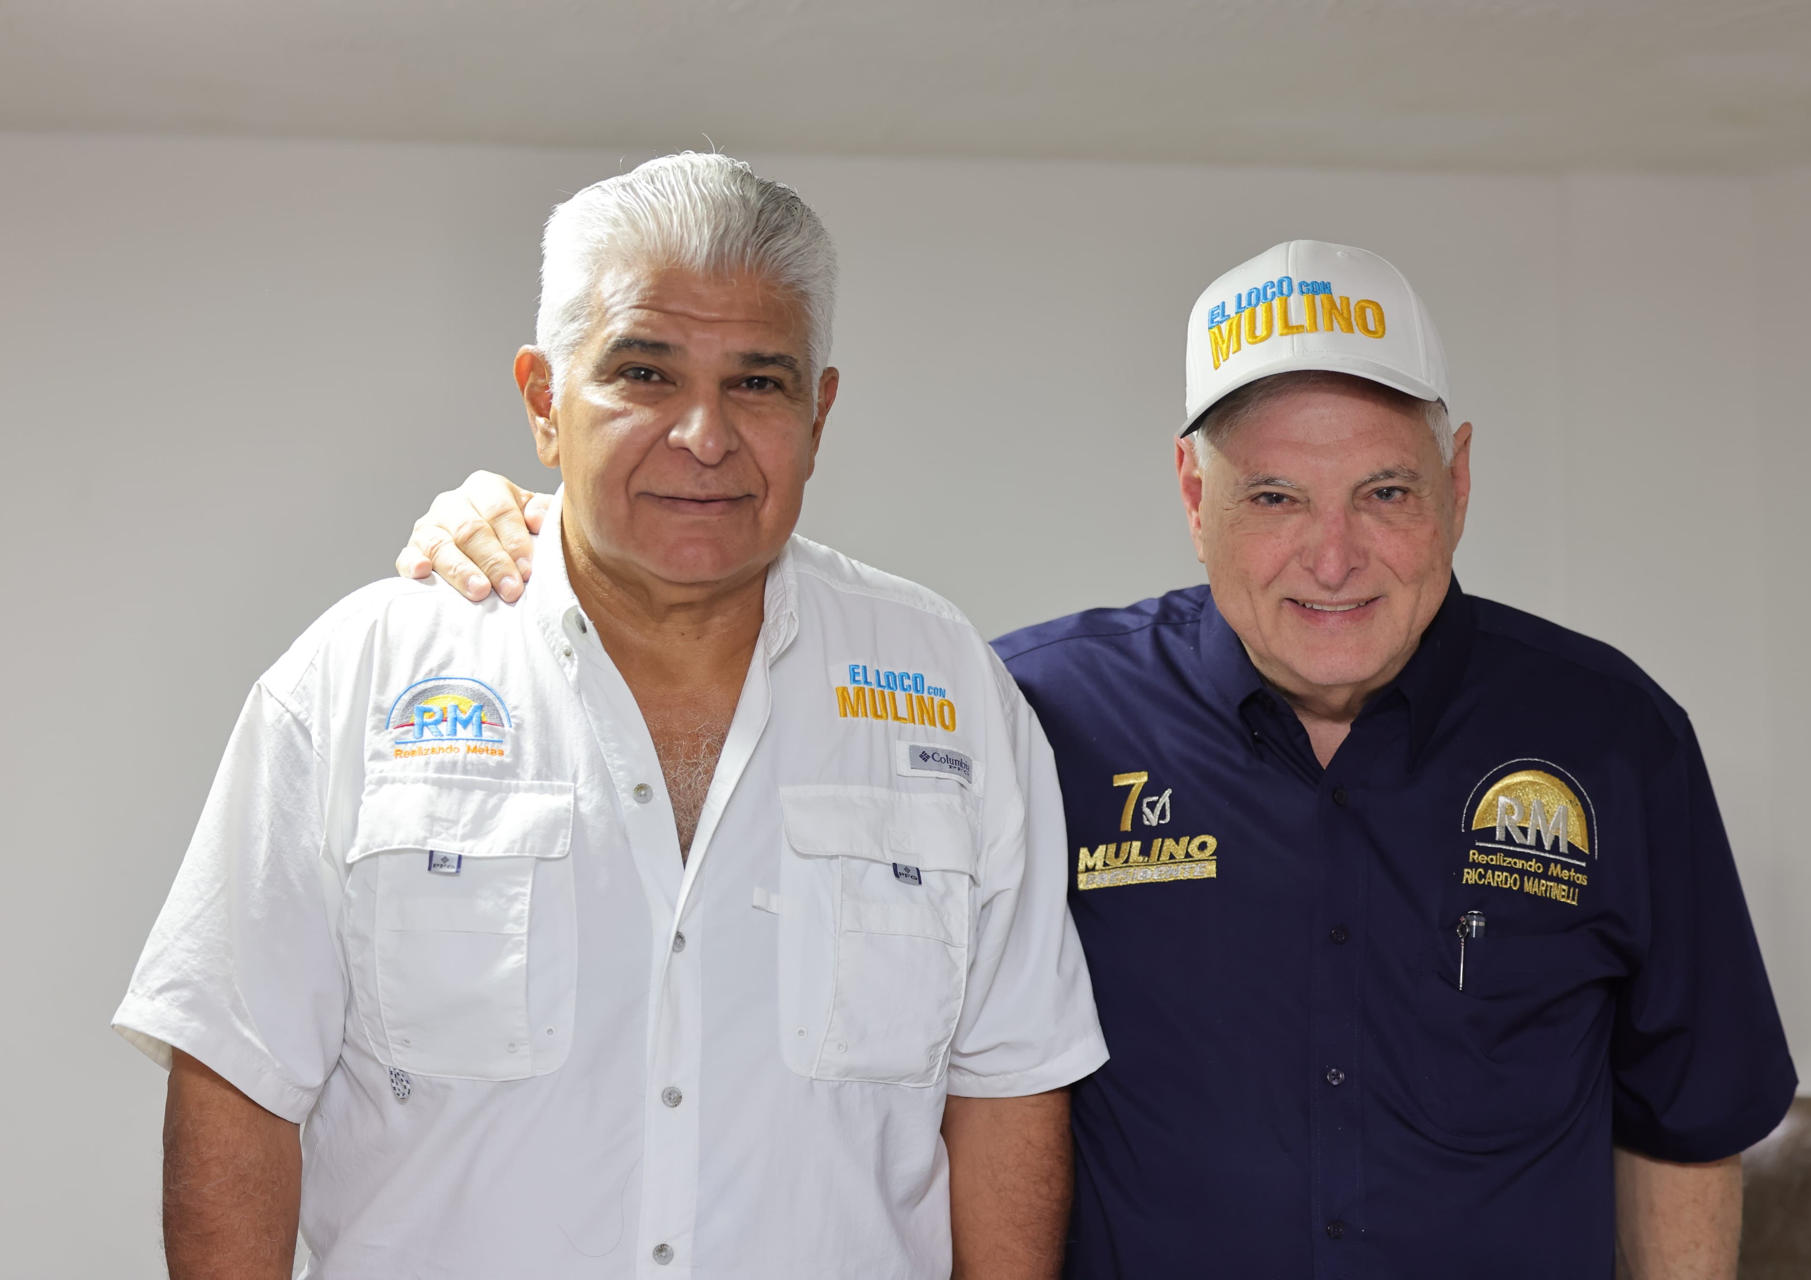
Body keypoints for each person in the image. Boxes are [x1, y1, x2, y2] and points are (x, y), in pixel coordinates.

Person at [399, 238, 1796, 1278]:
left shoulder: (1611, 737)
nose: (1332, 557)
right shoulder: (1021, 716)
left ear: (1461, 483)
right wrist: (562, 530)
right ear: (1192, 495)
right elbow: (744, 709)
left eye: (1387, 492)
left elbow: (1685, 1123)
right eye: (1272, 497)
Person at [114, 153, 1106, 1280]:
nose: (704, 434)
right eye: (644, 371)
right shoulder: (358, 677)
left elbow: (1009, 1091)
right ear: (544, 400)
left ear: (819, 414)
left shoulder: (950, 686)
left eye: (760, 382)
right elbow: (236, 1084)